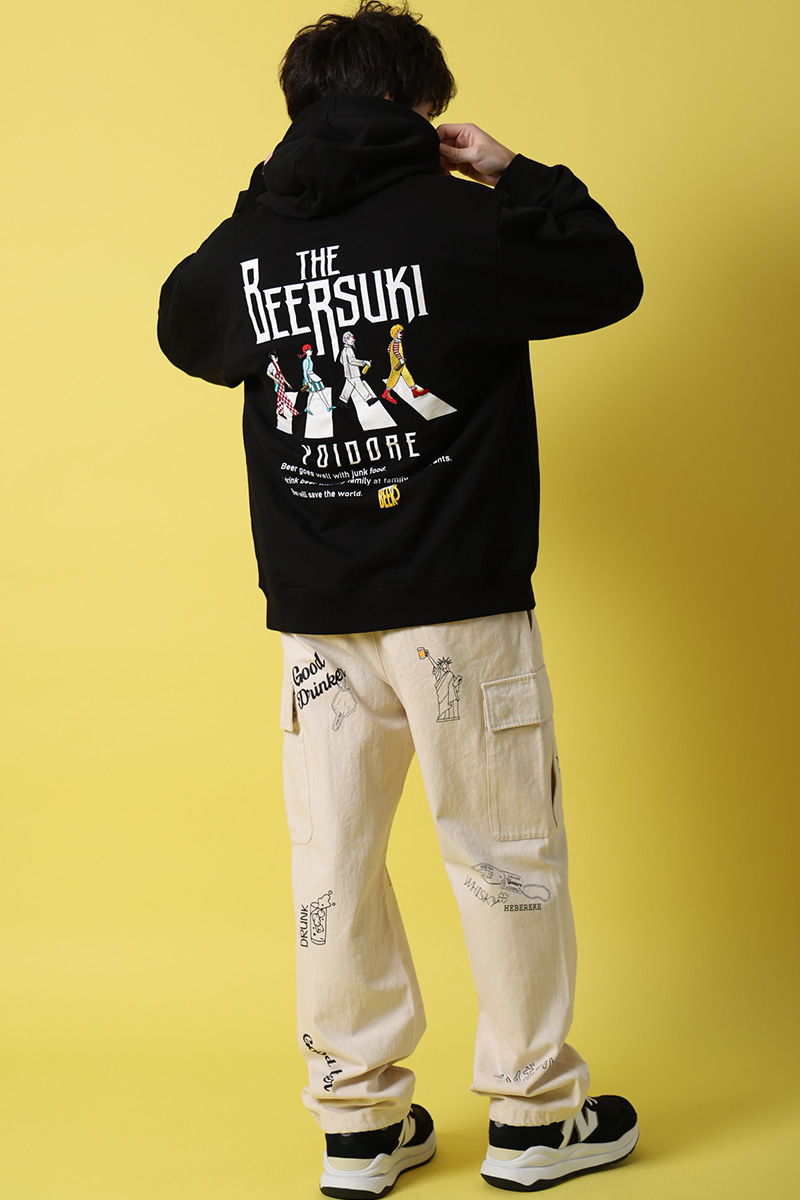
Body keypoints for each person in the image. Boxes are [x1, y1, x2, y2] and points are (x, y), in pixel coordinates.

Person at [157, 2, 644, 1195]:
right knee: (501, 854)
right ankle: (533, 1116)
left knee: (333, 865)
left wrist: (275, 195)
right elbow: (608, 275)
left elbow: (183, 324)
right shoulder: (460, 224)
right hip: (457, 605)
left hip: (318, 616)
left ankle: (358, 1126)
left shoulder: (255, 244)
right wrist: (514, 172)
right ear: (419, 111)